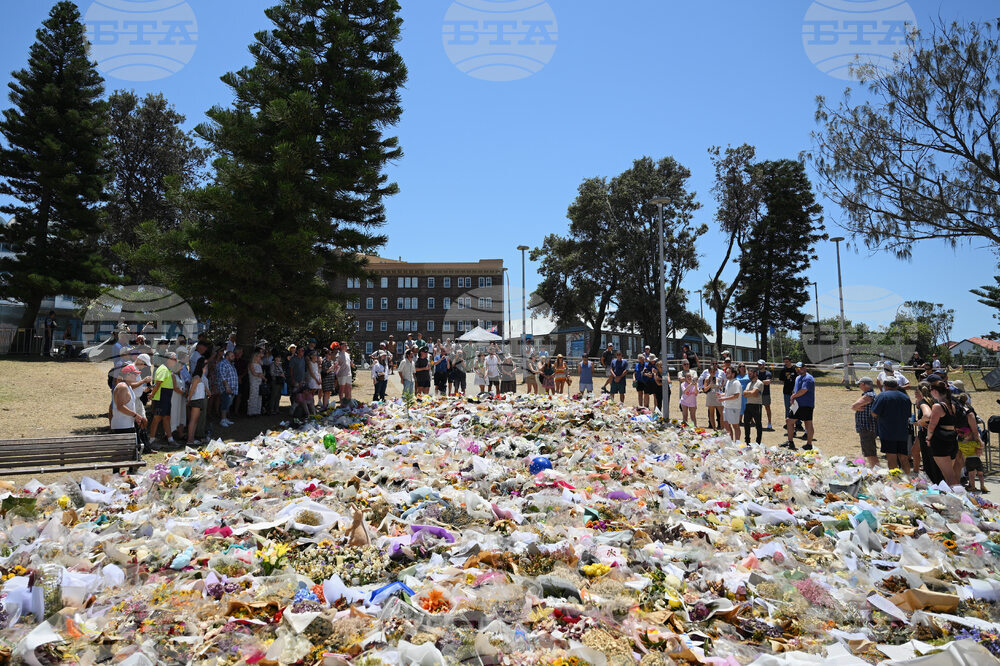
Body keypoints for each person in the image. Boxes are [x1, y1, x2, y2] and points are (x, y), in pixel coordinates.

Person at [871, 378, 913, 473]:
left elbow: (874, 413)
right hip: (902, 432)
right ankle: (907, 477)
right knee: (903, 457)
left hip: (887, 432)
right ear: (896, 386)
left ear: (885, 386)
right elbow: (908, 414)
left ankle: (895, 479)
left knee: (891, 458)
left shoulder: (882, 396)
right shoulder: (905, 397)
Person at [956, 393, 986, 493]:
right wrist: (979, 442)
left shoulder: (959, 409)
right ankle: (982, 485)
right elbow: (975, 427)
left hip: (964, 437)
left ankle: (969, 484)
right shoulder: (969, 408)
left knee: (968, 469)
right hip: (972, 435)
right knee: (979, 471)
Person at [148, 352, 178, 447]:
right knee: (157, 418)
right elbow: (158, 384)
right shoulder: (163, 369)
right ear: (168, 359)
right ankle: (151, 440)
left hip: (166, 398)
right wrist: (152, 394)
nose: (176, 361)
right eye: (174, 359)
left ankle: (170, 439)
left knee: (166, 418)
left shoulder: (167, 370)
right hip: (160, 398)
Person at [109, 365, 147, 440]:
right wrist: (135, 415)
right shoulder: (122, 387)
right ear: (128, 374)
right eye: (135, 374)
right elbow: (120, 407)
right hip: (122, 427)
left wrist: (136, 417)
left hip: (127, 425)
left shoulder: (128, 386)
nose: (136, 376)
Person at [783, 362, 815, 451]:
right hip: (797, 404)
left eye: (800, 368)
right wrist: (793, 397)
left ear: (805, 368)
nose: (798, 370)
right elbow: (796, 390)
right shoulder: (797, 378)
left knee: (808, 423)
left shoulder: (808, 378)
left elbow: (804, 390)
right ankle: (790, 442)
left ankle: (809, 444)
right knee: (789, 420)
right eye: (797, 368)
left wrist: (793, 396)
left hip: (806, 404)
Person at [851, 378, 879, 468]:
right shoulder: (870, 394)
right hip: (868, 427)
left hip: (867, 427)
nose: (859, 386)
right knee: (868, 451)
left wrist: (856, 407)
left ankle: (876, 470)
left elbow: (854, 406)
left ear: (863, 384)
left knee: (870, 452)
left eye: (859, 384)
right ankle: (874, 469)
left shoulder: (869, 395)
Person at [186, 357, 208, 447]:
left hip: (199, 400)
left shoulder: (200, 377)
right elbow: (192, 390)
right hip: (196, 400)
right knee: (193, 420)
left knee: (195, 421)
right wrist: (188, 400)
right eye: (205, 366)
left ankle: (192, 438)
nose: (206, 368)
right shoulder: (197, 377)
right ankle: (190, 440)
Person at [718, 366, 743, 442]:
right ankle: (731, 442)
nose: (726, 374)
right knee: (726, 425)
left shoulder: (736, 383)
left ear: (733, 374)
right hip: (727, 406)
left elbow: (736, 395)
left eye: (728, 373)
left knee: (735, 426)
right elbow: (727, 393)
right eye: (726, 372)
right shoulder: (728, 381)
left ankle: (737, 442)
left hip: (734, 407)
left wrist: (724, 399)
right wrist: (721, 395)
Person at [170, 348, 190, 441]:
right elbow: (175, 388)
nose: (182, 368)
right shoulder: (173, 375)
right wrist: (184, 392)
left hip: (181, 397)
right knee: (174, 414)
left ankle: (180, 433)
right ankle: (170, 433)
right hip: (174, 397)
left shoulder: (180, 375)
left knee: (181, 414)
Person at [776, 356, 800, 434]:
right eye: (785, 362)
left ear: (790, 361)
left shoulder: (795, 369)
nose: (786, 363)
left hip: (795, 392)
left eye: (787, 361)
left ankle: (798, 424)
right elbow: (782, 380)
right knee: (787, 408)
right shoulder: (783, 370)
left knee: (796, 408)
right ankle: (788, 423)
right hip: (786, 392)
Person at [699, 360, 724, 430]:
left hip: (717, 396)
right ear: (709, 372)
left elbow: (721, 385)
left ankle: (722, 427)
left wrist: (721, 386)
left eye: (714, 372)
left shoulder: (717, 378)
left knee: (722, 413)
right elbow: (705, 389)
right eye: (711, 372)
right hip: (710, 396)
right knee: (711, 413)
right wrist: (710, 385)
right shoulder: (707, 379)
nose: (713, 373)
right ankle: (714, 428)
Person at [742, 367, 764, 445]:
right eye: (748, 374)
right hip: (748, 405)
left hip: (756, 405)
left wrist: (749, 393)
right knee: (746, 423)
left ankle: (758, 442)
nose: (749, 375)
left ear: (755, 373)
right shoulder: (749, 383)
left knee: (758, 424)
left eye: (750, 374)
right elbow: (744, 394)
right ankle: (747, 441)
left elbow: (754, 393)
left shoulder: (759, 383)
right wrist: (751, 393)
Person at [217, 349, 239, 428]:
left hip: (232, 388)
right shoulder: (223, 364)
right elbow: (222, 376)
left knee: (228, 404)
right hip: (226, 388)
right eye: (232, 356)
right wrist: (226, 386)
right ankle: (223, 419)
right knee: (225, 403)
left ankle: (225, 418)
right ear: (227, 356)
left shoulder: (231, 364)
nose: (234, 357)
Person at [756, 360, 774, 430]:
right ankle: (758, 423)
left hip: (766, 393)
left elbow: (768, 382)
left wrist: (758, 382)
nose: (759, 366)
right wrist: (763, 382)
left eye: (760, 364)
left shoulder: (768, 373)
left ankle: (769, 423)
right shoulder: (756, 373)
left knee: (767, 408)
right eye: (758, 364)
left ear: (764, 365)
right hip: (757, 393)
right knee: (758, 409)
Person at [268, 346, 286, 415]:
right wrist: (279, 375)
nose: (278, 358)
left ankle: (277, 409)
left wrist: (283, 375)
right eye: (277, 357)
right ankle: (271, 409)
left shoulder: (280, 364)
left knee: (278, 396)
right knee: (274, 396)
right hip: (275, 381)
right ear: (275, 358)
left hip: (280, 382)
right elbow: (271, 373)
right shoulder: (272, 364)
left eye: (279, 357)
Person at [248, 349, 265, 416]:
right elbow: (253, 373)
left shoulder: (259, 364)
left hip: (259, 382)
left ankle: (257, 411)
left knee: (259, 397)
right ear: (255, 357)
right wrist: (259, 375)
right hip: (254, 382)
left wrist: (264, 378)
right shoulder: (251, 364)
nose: (260, 358)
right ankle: (251, 412)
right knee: (253, 396)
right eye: (258, 356)